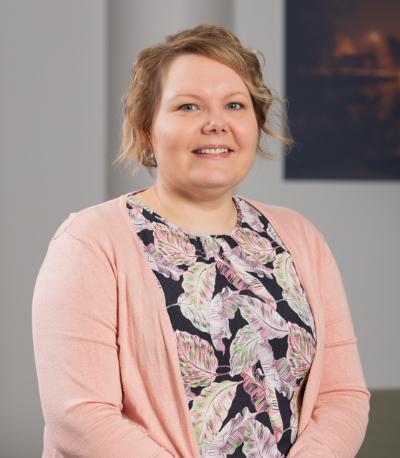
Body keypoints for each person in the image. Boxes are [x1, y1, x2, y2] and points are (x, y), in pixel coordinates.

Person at [32, 24, 370, 458]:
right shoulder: (90, 243)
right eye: (188, 106)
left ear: (256, 124)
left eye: (234, 105)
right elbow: (78, 415)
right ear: (147, 128)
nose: (216, 124)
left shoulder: (300, 237)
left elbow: (342, 394)